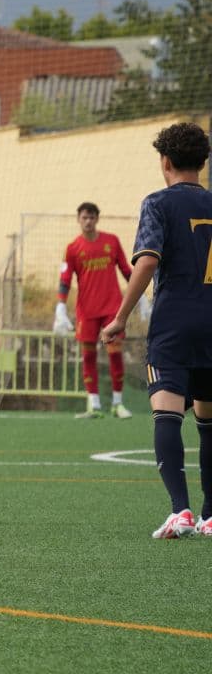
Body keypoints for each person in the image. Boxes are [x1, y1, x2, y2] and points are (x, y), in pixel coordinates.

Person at [100, 122, 212, 539]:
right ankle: (210, 516)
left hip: (174, 324)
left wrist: (120, 317)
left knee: (167, 414)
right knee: (208, 421)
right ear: (203, 162)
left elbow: (147, 261)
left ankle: (180, 511)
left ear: (165, 162)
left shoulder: (158, 203)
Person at [53, 201, 133, 418]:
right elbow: (65, 279)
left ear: (97, 219)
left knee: (115, 352)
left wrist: (142, 297)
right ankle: (94, 405)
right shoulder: (72, 248)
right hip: (86, 311)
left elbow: (126, 269)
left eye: (91, 217)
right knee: (88, 356)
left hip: (112, 308)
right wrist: (60, 305)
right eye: (84, 217)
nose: (88, 221)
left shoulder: (111, 241)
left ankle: (117, 404)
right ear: (78, 220)